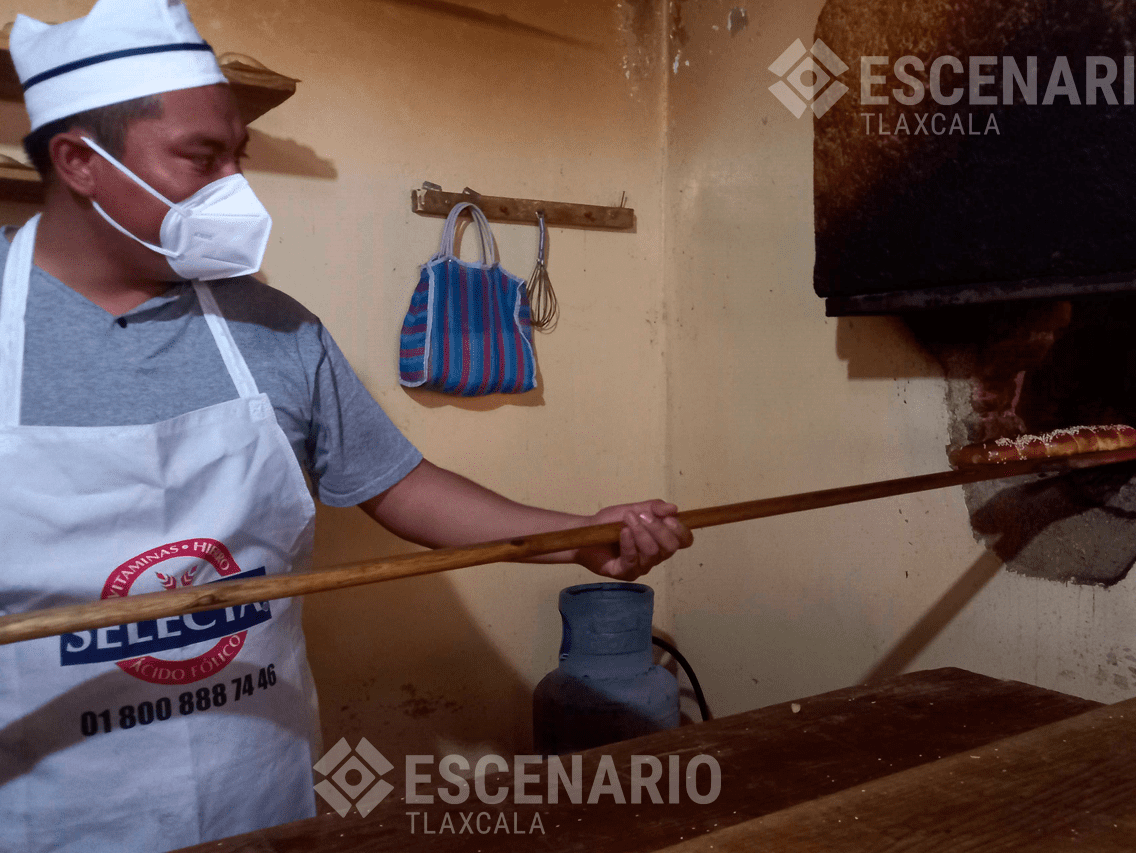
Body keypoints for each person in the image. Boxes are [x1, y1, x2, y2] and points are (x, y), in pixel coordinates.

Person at [0, 0, 693, 850]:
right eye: (202, 157)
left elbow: (402, 486)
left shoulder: (275, 328)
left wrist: (579, 537)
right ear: (79, 160)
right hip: (49, 811)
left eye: (240, 156)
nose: (235, 187)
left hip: (255, 793)